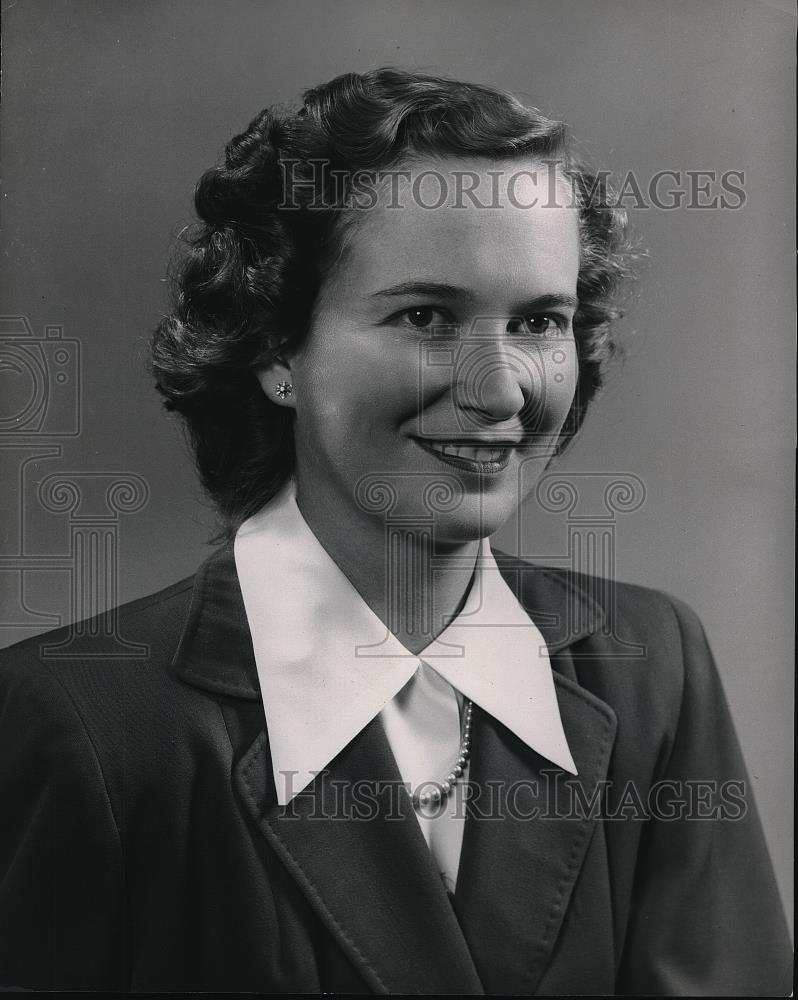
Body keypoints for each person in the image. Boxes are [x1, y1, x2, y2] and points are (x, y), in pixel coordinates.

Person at [0, 68, 791, 995]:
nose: (501, 393)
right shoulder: (81, 720)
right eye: (426, 316)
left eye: (540, 321)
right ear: (274, 350)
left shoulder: (652, 664)